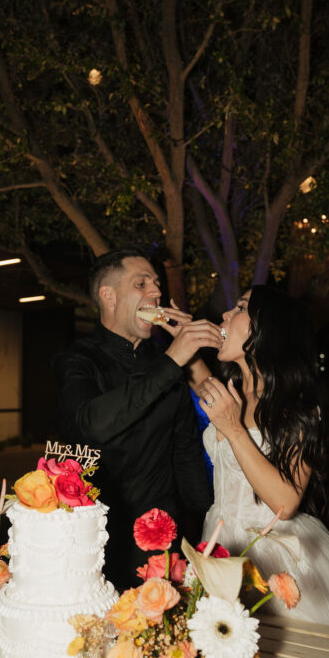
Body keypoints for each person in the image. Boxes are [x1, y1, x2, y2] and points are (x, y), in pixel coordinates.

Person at [198, 285, 329, 638]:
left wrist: (234, 430)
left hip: (273, 551)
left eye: (239, 308)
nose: (225, 314)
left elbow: (285, 502)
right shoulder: (234, 393)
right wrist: (182, 340)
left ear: (266, 330)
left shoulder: (295, 405)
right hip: (219, 542)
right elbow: (202, 384)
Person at [53, 248, 222, 591]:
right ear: (108, 295)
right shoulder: (77, 359)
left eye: (156, 285)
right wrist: (173, 358)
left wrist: (212, 524)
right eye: (141, 284)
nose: (156, 293)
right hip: (92, 538)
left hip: (159, 536)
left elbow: (185, 451)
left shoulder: (166, 364)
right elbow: (94, 423)